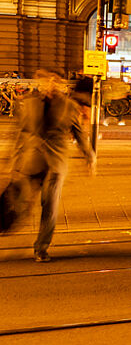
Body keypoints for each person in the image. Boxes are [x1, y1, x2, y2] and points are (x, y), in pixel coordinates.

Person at [10, 70, 96, 261]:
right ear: (40, 84)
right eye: (45, 82)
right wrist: (14, 163)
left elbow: (80, 135)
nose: (49, 85)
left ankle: (41, 248)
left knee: (49, 206)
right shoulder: (29, 104)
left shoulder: (69, 106)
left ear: (59, 85)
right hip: (31, 161)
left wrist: (90, 157)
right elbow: (20, 134)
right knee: (19, 203)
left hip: (56, 163)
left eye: (53, 82)